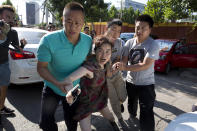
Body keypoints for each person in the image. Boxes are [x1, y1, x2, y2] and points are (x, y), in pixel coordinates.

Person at [37, 2, 92, 131]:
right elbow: (41, 68)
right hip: (52, 87)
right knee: (45, 123)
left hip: (74, 88)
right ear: (62, 20)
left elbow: (88, 63)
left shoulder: (88, 40)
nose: (73, 27)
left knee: (72, 121)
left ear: (83, 23)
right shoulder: (48, 40)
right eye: (68, 21)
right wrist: (57, 83)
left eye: (77, 23)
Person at [114, 14, 160, 131]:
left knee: (146, 111)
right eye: (137, 27)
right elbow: (124, 60)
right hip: (130, 82)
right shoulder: (129, 42)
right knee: (131, 104)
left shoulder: (153, 44)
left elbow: (144, 65)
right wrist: (119, 65)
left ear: (150, 29)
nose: (139, 30)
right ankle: (132, 116)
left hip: (146, 84)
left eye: (143, 28)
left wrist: (125, 68)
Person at [65, 36, 119, 131]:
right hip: (85, 103)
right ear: (95, 51)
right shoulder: (90, 67)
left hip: (99, 98)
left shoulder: (106, 62)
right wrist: (70, 92)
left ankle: (114, 125)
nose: (104, 55)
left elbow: (108, 74)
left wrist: (114, 70)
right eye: (100, 51)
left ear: (111, 52)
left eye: (108, 51)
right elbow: (69, 79)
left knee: (111, 117)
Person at [0, 5, 27, 125]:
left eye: (12, 17)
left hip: (4, 63)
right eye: (7, 16)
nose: (10, 19)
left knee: (4, 87)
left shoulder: (13, 32)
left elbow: (17, 50)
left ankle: (1, 108)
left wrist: (22, 46)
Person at [104, 19, 127, 128]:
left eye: (119, 31)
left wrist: (116, 65)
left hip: (117, 74)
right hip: (106, 78)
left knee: (123, 96)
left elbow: (118, 57)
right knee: (113, 99)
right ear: (107, 28)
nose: (115, 33)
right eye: (113, 29)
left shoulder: (119, 42)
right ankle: (120, 118)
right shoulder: (100, 42)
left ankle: (121, 103)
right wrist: (108, 69)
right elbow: (97, 62)